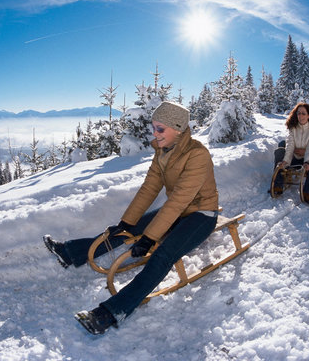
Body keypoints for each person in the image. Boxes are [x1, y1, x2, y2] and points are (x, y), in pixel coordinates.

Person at [43, 101, 219, 335]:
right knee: (125, 230)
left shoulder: (197, 155)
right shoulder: (162, 151)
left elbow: (178, 200)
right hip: (178, 211)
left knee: (162, 254)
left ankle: (113, 311)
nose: (154, 133)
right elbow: (149, 189)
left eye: (160, 129)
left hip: (202, 214)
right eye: (153, 127)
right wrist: (127, 222)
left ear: (178, 128)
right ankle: (72, 252)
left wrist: (149, 238)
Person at [273, 102, 309, 204]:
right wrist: (285, 161)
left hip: (306, 160)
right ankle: (278, 185)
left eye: (303, 113)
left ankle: (307, 192)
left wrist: (307, 161)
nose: (300, 116)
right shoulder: (293, 127)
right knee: (279, 151)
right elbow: (290, 145)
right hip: (294, 158)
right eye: (298, 113)